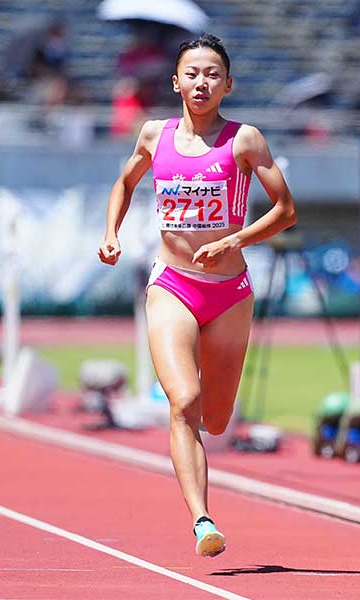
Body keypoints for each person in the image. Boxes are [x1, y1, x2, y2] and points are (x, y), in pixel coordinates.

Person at [98, 34, 297, 557]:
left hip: (230, 293)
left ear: (228, 85)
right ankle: (203, 520)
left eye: (212, 74)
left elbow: (285, 210)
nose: (201, 82)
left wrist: (235, 237)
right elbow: (124, 184)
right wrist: (111, 232)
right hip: (172, 284)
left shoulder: (245, 140)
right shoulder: (152, 136)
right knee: (183, 400)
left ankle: (206, 461)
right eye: (192, 73)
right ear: (176, 82)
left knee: (216, 417)